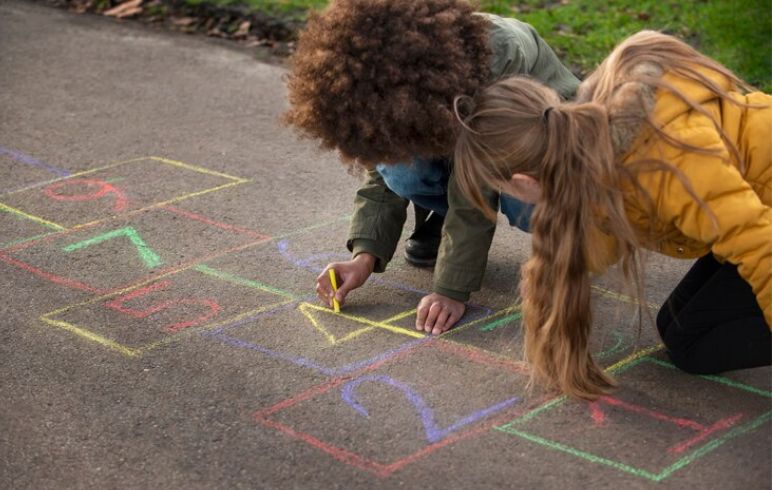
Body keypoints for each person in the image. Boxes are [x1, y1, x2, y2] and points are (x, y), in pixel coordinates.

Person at [453, 30, 771, 399]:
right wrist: (560, 271)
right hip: (752, 205)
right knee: (676, 327)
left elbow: (759, 246)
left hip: (758, 225)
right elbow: (607, 223)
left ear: (522, 181)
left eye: (499, 187)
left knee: (694, 347)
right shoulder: (593, 144)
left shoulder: (663, 163)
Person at [282, 0, 579, 334]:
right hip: (460, 132)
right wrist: (364, 255)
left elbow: (473, 189)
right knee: (401, 170)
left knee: (526, 202)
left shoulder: (494, 58)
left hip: (543, 150)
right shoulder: (387, 80)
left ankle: (573, 239)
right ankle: (439, 219)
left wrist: (451, 290)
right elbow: (384, 154)